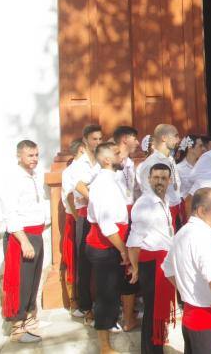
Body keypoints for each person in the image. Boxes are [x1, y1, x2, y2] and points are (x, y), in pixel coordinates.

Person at [162, 188, 211, 353]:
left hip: (193, 315)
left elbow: (168, 270)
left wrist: (189, 290)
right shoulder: (205, 237)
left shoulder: (182, 233)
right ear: (200, 211)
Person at [86, 142, 139, 352]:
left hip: (116, 242)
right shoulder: (102, 184)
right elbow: (106, 225)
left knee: (119, 288)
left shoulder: (112, 179)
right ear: (107, 159)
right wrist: (123, 250)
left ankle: (126, 320)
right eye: (117, 153)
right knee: (106, 295)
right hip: (106, 246)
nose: (121, 155)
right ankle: (105, 346)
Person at [0, 140, 48, 343]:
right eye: (30, 155)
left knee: (33, 280)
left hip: (36, 234)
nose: (34, 159)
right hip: (22, 237)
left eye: (36, 155)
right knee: (21, 283)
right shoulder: (13, 179)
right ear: (19, 156)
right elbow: (10, 213)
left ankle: (29, 319)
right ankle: (17, 327)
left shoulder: (34, 176)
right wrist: (24, 241)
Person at [126, 163, 176, 354]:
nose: (159, 182)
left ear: (169, 180)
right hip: (151, 264)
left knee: (159, 311)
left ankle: (157, 348)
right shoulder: (144, 204)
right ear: (149, 179)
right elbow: (134, 241)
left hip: (164, 262)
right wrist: (136, 268)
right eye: (156, 178)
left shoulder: (166, 200)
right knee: (152, 311)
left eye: (163, 178)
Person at [70, 124, 103, 322]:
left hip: (100, 217)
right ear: (85, 141)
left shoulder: (101, 162)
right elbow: (79, 188)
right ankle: (84, 305)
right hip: (85, 214)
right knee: (84, 262)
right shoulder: (78, 165)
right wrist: (95, 197)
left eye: (100, 139)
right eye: (94, 139)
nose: (98, 143)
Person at [138, 124, 182, 225]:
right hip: (162, 211)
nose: (178, 140)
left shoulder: (170, 159)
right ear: (164, 138)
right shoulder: (152, 162)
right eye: (176, 136)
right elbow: (150, 193)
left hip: (175, 207)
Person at [61, 138, 85, 314]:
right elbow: (69, 196)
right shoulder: (71, 171)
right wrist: (78, 219)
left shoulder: (89, 168)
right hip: (75, 218)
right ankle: (74, 301)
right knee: (74, 259)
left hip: (85, 217)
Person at [113, 125, 140, 209]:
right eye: (135, 139)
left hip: (130, 211)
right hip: (116, 212)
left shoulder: (130, 163)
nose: (137, 143)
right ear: (124, 139)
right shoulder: (109, 161)